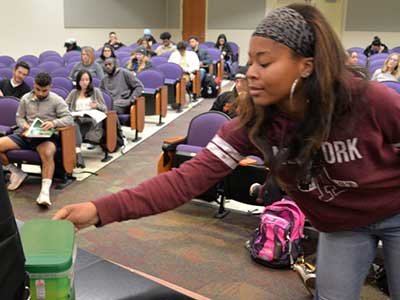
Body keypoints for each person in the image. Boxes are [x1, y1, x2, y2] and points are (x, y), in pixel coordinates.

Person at [54, 4, 400, 300]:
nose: (250, 72)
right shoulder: (253, 125)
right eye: (250, 62)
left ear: (305, 66)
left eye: (264, 63)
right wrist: (99, 209)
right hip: (342, 226)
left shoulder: (368, 101)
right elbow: (183, 182)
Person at [0, 72, 72, 206]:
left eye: (44, 90)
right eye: (38, 89)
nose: (40, 93)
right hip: (26, 135)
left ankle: (44, 193)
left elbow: (69, 118)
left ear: (50, 87)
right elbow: (19, 117)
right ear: (34, 85)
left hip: (45, 137)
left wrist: (53, 123)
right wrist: (25, 125)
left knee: (48, 153)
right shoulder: (25, 98)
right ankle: (16, 172)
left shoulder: (56, 100)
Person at [65, 70, 107, 168]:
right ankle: (78, 154)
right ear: (78, 81)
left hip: (91, 120)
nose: (85, 82)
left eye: (87, 80)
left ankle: (77, 154)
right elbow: (65, 105)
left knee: (74, 128)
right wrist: (71, 112)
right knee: (74, 125)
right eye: (82, 80)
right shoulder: (74, 92)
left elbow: (104, 108)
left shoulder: (95, 91)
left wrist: (96, 105)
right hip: (78, 119)